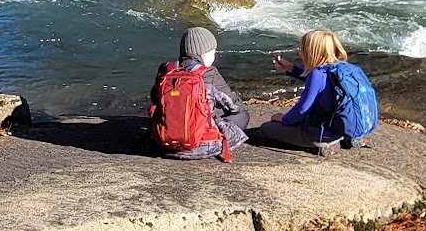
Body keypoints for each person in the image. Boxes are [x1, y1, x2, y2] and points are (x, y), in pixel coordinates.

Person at [262, 28, 376, 156]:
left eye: (302, 49)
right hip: (344, 126)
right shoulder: (344, 68)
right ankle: (348, 138)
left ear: (311, 52)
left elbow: (301, 109)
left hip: (322, 133)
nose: (300, 53)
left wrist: (283, 119)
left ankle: (324, 144)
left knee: (267, 129)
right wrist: (291, 68)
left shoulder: (317, 74)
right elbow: (320, 84)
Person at [150, 26, 249, 160]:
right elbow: (233, 105)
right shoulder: (209, 73)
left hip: (165, 143)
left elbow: (154, 98)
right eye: (213, 53)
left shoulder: (166, 70)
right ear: (203, 55)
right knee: (243, 115)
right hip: (203, 145)